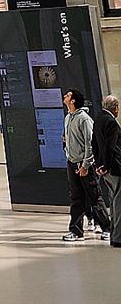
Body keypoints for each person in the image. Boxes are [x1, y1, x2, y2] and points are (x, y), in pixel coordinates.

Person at [62, 89, 111, 241]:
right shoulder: (68, 117)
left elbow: (90, 143)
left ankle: (108, 228)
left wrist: (85, 164)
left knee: (94, 197)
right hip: (72, 163)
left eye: (68, 95)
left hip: (84, 165)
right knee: (76, 198)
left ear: (73, 101)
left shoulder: (84, 119)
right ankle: (76, 231)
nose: (65, 96)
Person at [94, 94, 121, 246]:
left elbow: (95, 145)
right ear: (115, 108)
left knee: (113, 200)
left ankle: (114, 235)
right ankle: (118, 237)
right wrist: (106, 165)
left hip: (105, 170)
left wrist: (99, 165)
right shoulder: (111, 122)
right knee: (118, 204)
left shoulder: (99, 119)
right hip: (114, 169)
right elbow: (110, 147)